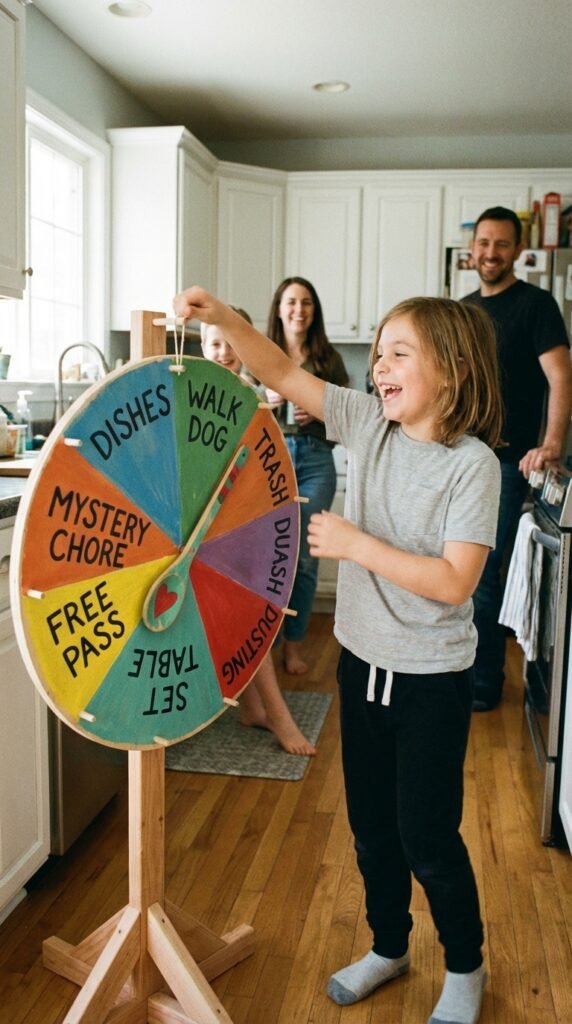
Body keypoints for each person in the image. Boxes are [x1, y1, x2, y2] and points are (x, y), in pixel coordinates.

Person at [174, 284, 504, 1024]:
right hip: (362, 665)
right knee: (370, 829)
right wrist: (225, 319)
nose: (378, 366)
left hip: (430, 682)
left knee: (427, 835)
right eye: (378, 351)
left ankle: (465, 964)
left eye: (397, 353)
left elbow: (455, 582)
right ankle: (389, 945)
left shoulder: (472, 466)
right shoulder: (369, 424)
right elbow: (285, 376)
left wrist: (357, 545)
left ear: (449, 369)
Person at [461, 206, 572, 711]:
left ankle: (483, 684)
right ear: (472, 247)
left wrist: (551, 444)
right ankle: (458, 671)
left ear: (517, 251)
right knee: (455, 570)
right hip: (459, 456)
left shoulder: (536, 304)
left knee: (482, 573)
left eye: (501, 244)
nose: (490, 253)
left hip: (507, 464)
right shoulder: (461, 310)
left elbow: (561, 377)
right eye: (484, 242)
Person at [200, 309, 316, 756]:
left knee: (252, 615)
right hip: (208, 528)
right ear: (202, 347)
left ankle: (254, 706)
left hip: (240, 523)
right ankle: (278, 716)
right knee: (251, 616)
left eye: (233, 342)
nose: (224, 352)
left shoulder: (249, 393)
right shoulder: (195, 391)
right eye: (215, 343)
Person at [265, 277, 349, 674]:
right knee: (269, 557)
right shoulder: (263, 356)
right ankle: (268, 644)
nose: (299, 310)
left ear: (314, 311)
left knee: (304, 561)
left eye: (307, 303)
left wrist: (318, 413)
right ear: (279, 308)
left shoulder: (328, 359)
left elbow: (349, 422)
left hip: (316, 462)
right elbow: (238, 402)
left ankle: (294, 646)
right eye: (291, 302)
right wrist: (262, 399)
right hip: (271, 463)